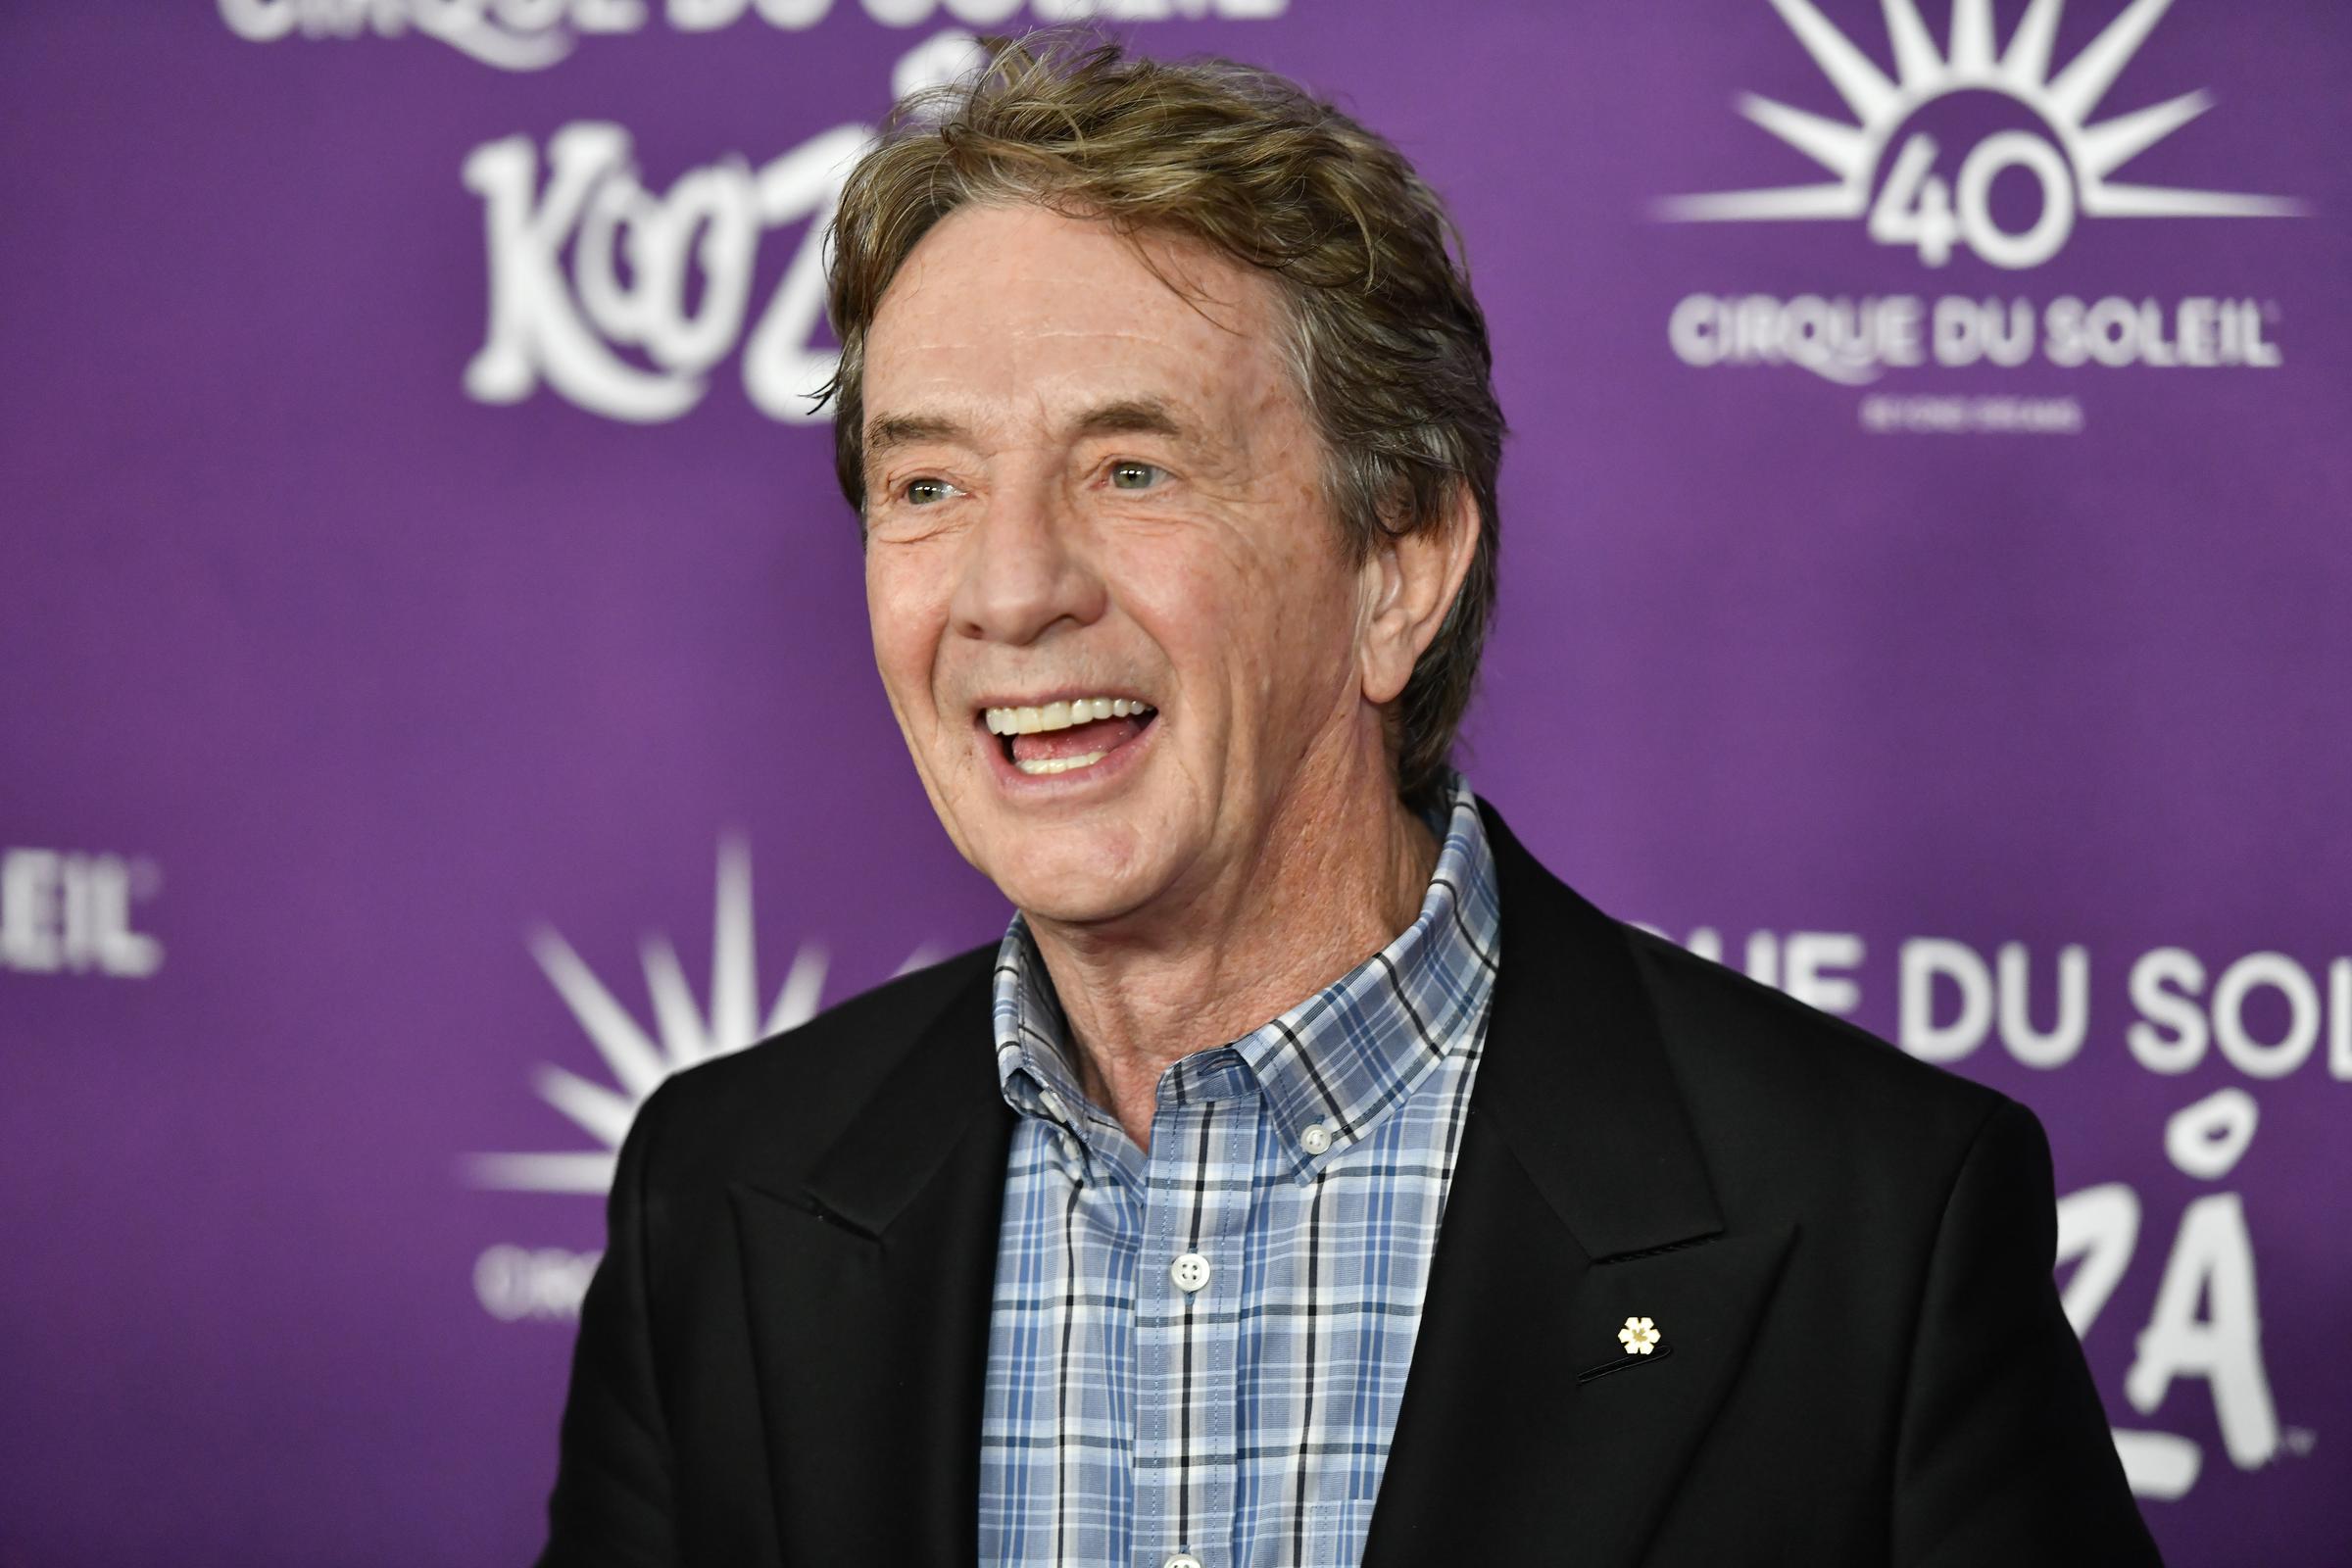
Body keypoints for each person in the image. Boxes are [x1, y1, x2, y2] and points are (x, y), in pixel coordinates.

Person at [536, 37, 2159, 1568]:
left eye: (1133, 468)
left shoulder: (1870, 1226)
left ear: (1401, 566)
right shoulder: (721, 1198)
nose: (1011, 590)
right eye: (928, 485)